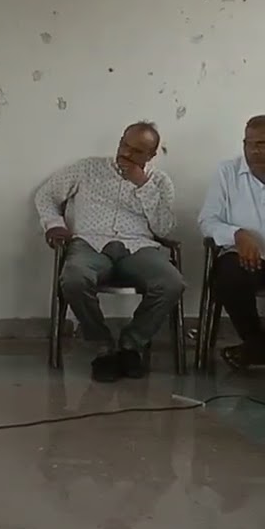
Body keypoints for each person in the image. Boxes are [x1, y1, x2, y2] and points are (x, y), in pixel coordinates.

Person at [35, 121, 183, 383]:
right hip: (90, 244)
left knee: (171, 283)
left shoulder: (160, 182)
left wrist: (142, 186)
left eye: (137, 151)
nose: (126, 153)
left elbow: (164, 228)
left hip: (138, 247)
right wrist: (55, 226)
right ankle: (102, 346)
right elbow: (45, 195)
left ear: (151, 155)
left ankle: (130, 345)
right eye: (124, 144)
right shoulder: (87, 168)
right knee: (73, 278)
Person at [197, 114, 265, 370]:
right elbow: (207, 220)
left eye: (263, 143)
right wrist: (238, 234)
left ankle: (257, 350)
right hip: (244, 259)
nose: (256, 151)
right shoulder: (227, 172)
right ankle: (255, 342)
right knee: (229, 276)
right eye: (250, 143)